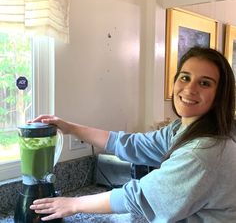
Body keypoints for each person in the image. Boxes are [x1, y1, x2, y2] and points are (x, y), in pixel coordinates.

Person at [29, 46, 236, 222]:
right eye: (185, 77)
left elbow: (139, 196)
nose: (189, 89)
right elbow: (131, 144)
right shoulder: (182, 129)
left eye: (205, 83)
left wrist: (72, 204)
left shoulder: (204, 153)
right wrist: (70, 128)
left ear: (220, 95)